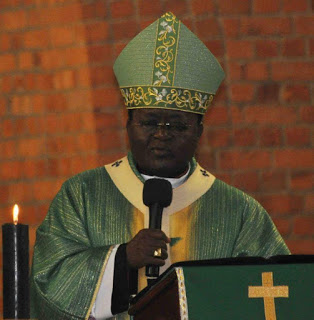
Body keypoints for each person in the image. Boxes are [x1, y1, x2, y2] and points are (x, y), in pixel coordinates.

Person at [30, 12, 290, 320]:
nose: (162, 134)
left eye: (177, 125)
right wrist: (122, 259)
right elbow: (46, 284)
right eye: (150, 122)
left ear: (200, 131)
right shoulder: (82, 196)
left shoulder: (240, 212)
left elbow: (278, 292)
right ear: (127, 124)